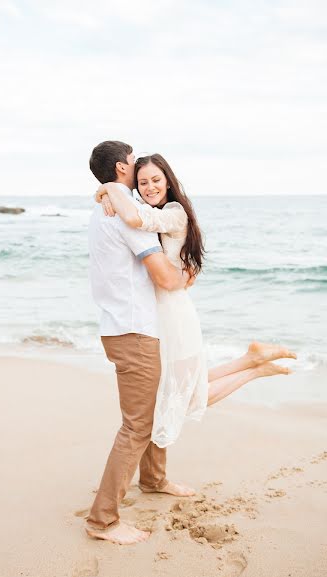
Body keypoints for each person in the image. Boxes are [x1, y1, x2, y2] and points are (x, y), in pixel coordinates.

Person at [95, 153, 297, 449]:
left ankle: (254, 368)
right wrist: (104, 191)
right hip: (158, 308)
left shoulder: (174, 212)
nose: (150, 187)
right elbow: (135, 214)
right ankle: (251, 359)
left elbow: (135, 218)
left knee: (187, 395)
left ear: (168, 181)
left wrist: (110, 188)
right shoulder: (146, 206)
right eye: (142, 182)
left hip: (172, 310)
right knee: (180, 385)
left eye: (156, 180)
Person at [86, 141, 197, 546]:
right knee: (137, 426)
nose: (138, 170)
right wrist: (186, 278)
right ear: (122, 167)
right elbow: (165, 278)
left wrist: (106, 190)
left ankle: (153, 479)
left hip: (119, 326)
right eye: (134, 164)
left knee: (147, 410)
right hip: (134, 331)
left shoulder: (105, 209)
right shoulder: (124, 218)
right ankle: (103, 520)